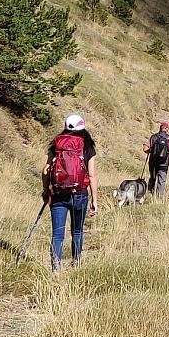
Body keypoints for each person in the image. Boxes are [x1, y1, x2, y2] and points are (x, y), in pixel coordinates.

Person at [42, 113, 98, 271]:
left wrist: (46, 190)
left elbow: (46, 170)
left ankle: (55, 269)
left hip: (58, 194)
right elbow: (92, 175)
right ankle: (77, 263)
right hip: (80, 194)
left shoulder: (57, 145)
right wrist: (94, 200)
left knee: (57, 235)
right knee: (77, 231)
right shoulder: (87, 146)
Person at [143, 121, 169, 198]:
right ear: (167, 128)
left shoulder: (153, 137)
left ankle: (149, 195)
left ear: (160, 128)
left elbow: (145, 149)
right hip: (164, 164)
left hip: (153, 162)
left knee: (152, 178)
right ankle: (159, 198)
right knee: (162, 181)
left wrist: (150, 151)